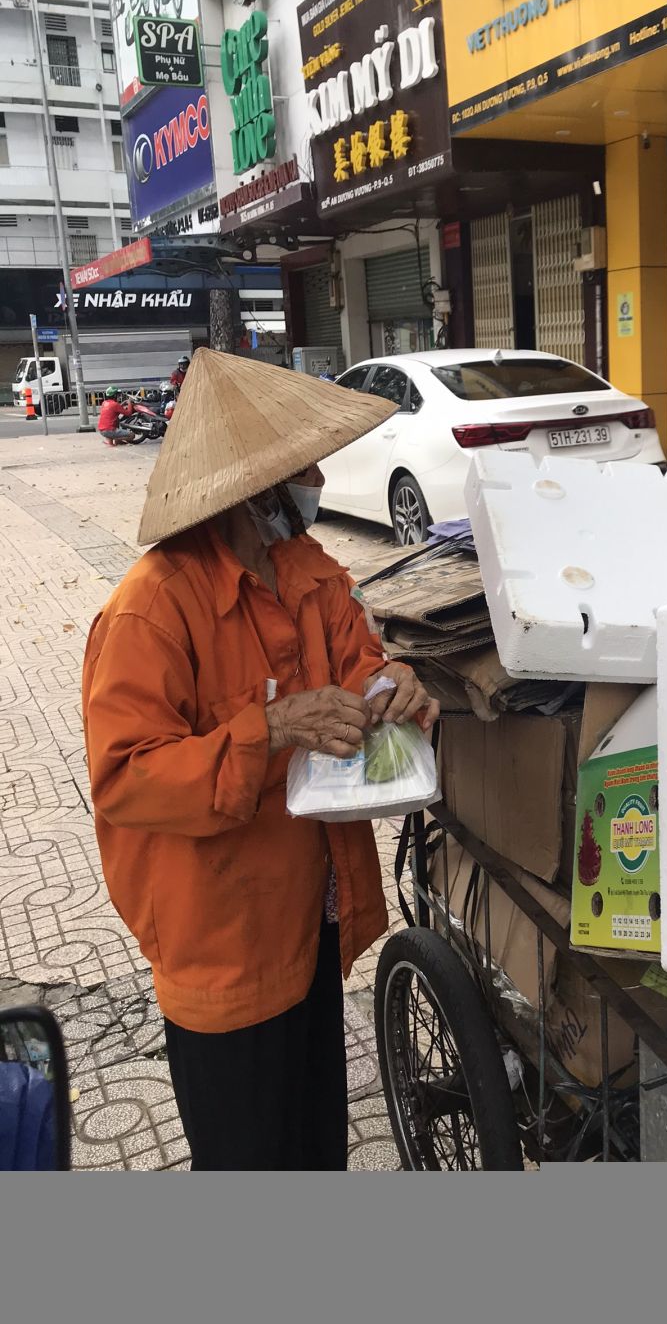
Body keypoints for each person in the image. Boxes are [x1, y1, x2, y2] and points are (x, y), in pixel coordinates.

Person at [81, 348, 437, 1170]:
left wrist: (393, 685)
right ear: (253, 490)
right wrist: (269, 729)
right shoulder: (150, 611)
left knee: (315, 1147)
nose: (318, 480)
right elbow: (125, 778)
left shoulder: (307, 570)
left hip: (312, 920)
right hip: (222, 952)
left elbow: (360, 660)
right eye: (301, 468)